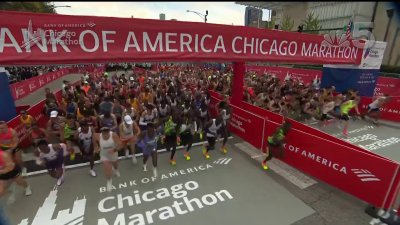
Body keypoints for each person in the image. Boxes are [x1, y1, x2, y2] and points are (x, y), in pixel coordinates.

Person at [93, 127, 122, 192]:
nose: (105, 133)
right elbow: (93, 138)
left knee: (115, 165)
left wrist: (114, 150)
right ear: (101, 132)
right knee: (107, 168)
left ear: (109, 131)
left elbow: (120, 145)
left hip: (113, 154)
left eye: (107, 131)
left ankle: (116, 170)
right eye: (104, 131)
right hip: (104, 155)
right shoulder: (97, 136)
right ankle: (109, 181)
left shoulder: (114, 135)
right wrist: (96, 147)